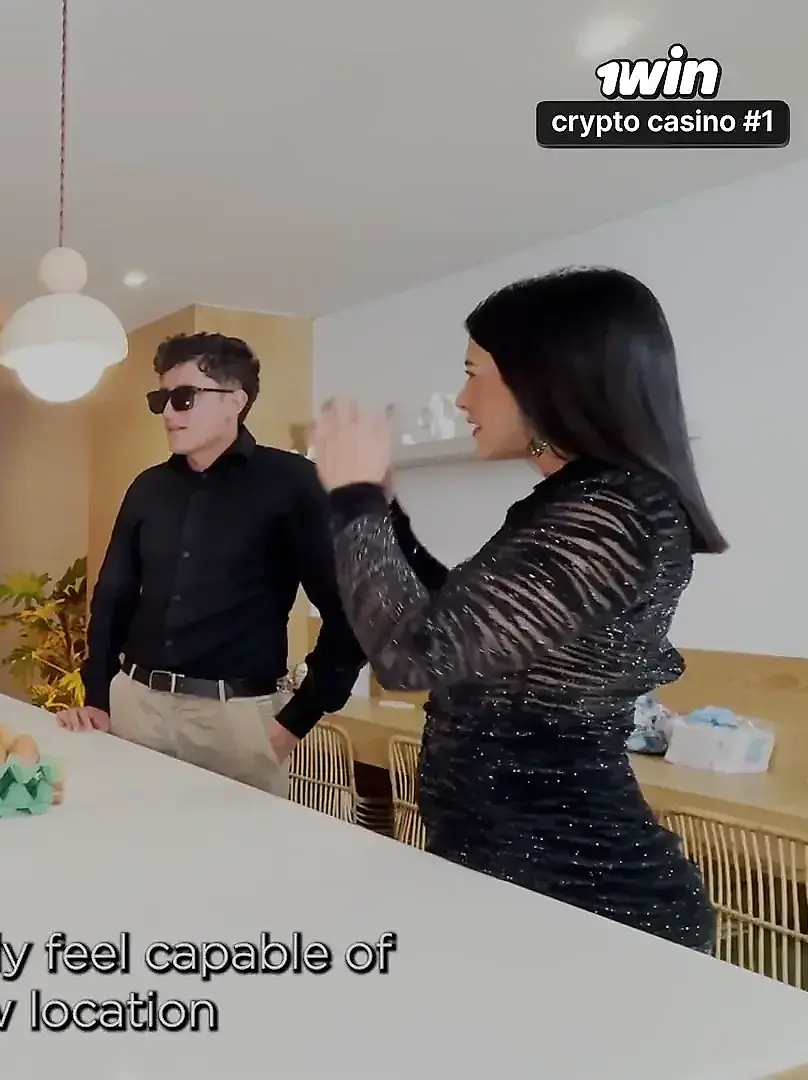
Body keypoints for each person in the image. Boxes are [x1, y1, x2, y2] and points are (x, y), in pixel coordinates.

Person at [309, 266, 721, 953]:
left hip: (584, 899)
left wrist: (353, 500)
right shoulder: (586, 501)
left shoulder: (614, 512)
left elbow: (413, 655)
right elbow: (458, 623)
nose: (461, 398)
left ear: (541, 377)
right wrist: (381, 507)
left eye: (474, 373)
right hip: (515, 880)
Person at [58, 333, 368, 798]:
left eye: (184, 397)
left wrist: (296, 720)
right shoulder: (148, 488)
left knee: (238, 845)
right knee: (123, 834)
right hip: (135, 706)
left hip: (235, 720)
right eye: (161, 400)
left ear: (235, 401)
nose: (168, 413)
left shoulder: (293, 483)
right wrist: (99, 695)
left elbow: (354, 612)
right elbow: (113, 597)